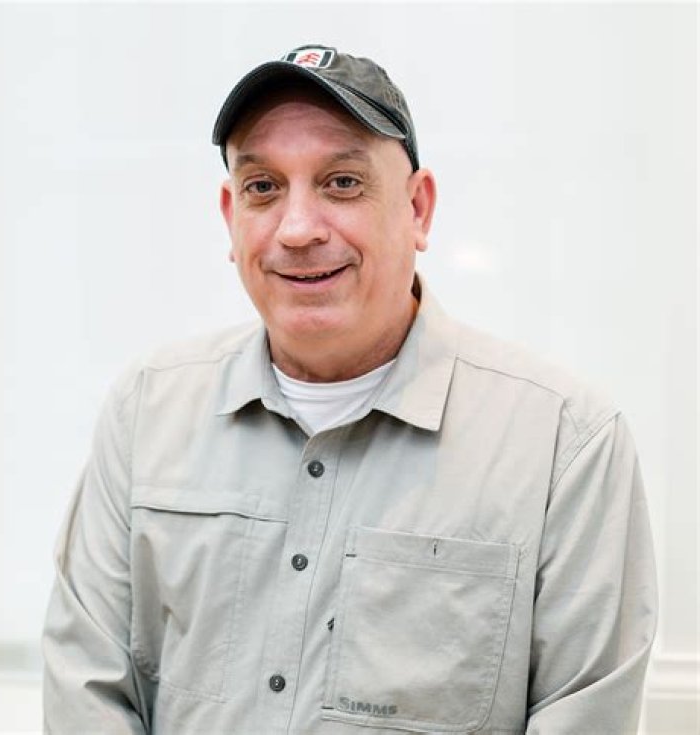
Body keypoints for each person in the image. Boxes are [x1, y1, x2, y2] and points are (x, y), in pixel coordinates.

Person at [42, 44, 657, 734]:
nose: (298, 229)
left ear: (418, 208)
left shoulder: (565, 445)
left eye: (342, 182)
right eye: (263, 187)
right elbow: (86, 692)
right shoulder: (146, 412)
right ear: (230, 216)